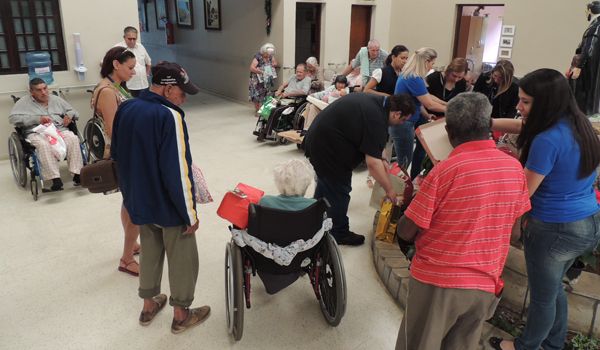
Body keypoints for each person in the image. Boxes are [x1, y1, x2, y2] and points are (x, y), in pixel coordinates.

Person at [394, 92, 531, 350]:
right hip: (485, 284)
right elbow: (514, 234)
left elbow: (406, 231)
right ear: (488, 124)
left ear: (447, 130)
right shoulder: (514, 168)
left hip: (438, 282)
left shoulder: (445, 170)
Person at [487, 69, 600, 350]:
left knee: (541, 296)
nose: (518, 106)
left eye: (525, 102)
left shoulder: (547, 139)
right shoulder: (578, 123)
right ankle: (553, 343)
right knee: (553, 290)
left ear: (546, 102)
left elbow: (522, 195)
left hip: (554, 229)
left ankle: (525, 346)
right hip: (588, 222)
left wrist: (508, 228)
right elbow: (520, 126)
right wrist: (484, 123)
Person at [111, 61, 211, 334]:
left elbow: (117, 155)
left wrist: (131, 198)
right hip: (169, 206)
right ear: (167, 89)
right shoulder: (170, 115)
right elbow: (177, 171)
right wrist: (190, 214)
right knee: (182, 255)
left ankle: (148, 305)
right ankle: (181, 315)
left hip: (139, 201)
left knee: (151, 249)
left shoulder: (127, 107)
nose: (185, 98)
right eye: (182, 91)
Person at [304, 93, 415, 246]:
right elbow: (372, 164)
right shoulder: (377, 119)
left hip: (318, 139)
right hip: (327, 148)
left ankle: (313, 222)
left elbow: (375, 147)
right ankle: (339, 233)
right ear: (397, 114)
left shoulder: (378, 104)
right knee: (338, 190)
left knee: (325, 186)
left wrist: (382, 159)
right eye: (403, 120)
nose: (402, 124)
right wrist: (390, 191)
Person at [93, 46, 140, 276]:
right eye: (130, 67)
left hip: (127, 152)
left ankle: (131, 245)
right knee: (135, 205)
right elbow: (114, 130)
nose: (134, 71)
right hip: (125, 154)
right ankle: (126, 259)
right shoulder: (108, 92)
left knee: (128, 202)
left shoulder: (115, 87)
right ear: (116, 64)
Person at [9, 78, 83, 191]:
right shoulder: (23, 103)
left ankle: (77, 175)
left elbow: (73, 111)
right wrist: (37, 119)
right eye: (39, 90)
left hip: (58, 130)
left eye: (45, 88)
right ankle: (55, 179)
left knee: (73, 138)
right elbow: (13, 118)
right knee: (44, 145)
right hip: (37, 132)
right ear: (31, 91)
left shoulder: (56, 99)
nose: (43, 92)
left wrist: (69, 115)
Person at [257, 159, 317, 294]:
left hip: (269, 257)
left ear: (279, 182)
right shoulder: (313, 206)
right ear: (307, 183)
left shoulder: (265, 202)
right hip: (302, 257)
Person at [392, 47, 447, 178]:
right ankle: (398, 190)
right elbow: (429, 103)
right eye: (432, 63)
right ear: (426, 61)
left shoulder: (413, 75)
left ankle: (414, 178)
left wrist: (446, 104)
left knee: (421, 148)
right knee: (404, 161)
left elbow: (425, 96)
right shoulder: (413, 78)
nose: (432, 67)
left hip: (410, 119)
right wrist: (450, 109)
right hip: (403, 122)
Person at [568, 1, 600, 114]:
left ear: (590, 11)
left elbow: (588, 48)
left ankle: (586, 114)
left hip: (590, 68)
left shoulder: (595, 26)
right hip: (594, 67)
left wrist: (579, 66)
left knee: (586, 92)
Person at [114, 26, 151, 97]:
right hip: (128, 87)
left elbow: (148, 62)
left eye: (134, 39)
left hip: (143, 85)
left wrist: (147, 74)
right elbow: (104, 63)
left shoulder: (140, 47)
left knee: (144, 106)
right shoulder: (117, 48)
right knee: (131, 107)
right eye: (129, 39)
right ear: (124, 37)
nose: (132, 41)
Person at [249, 43, 278, 112]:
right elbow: (251, 68)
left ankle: (264, 110)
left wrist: (273, 65)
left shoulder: (270, 56)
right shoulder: (258, 56)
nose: (268, 55)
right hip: (257, 79)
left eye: (270, 54)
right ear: (263, 51)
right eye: (267, 54)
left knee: (266, 94)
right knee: (257, 94)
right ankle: (257, 110)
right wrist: (261, 71)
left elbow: (275, 63)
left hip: (266, 79)